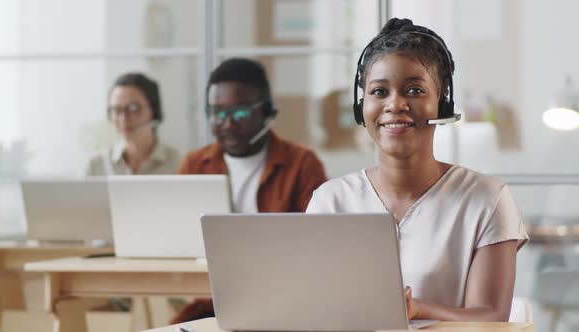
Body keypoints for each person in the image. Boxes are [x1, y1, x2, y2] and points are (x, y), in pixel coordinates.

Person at [306, 18, 528, 322]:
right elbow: (313, 309)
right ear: (362, 107)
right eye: (379, 92)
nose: (395, 104)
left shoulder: (487, 199)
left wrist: (417, 309)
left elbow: (490, 318)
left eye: (414, 90)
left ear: (442, 103)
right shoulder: (329, 201)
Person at [171, 58, 327, 323]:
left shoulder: (302, 164)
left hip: (283, 303)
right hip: (211, 304)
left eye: (240, 113)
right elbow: (176, 238)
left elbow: (318, 246)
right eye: (218, 113)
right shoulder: (194, 164)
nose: (228, 124)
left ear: (266, 112)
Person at [85, 72, 181, 175]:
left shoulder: (178, 164)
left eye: (133, 108)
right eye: (116, 110)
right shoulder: (96, 167)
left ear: (154, 110)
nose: (123, 118)